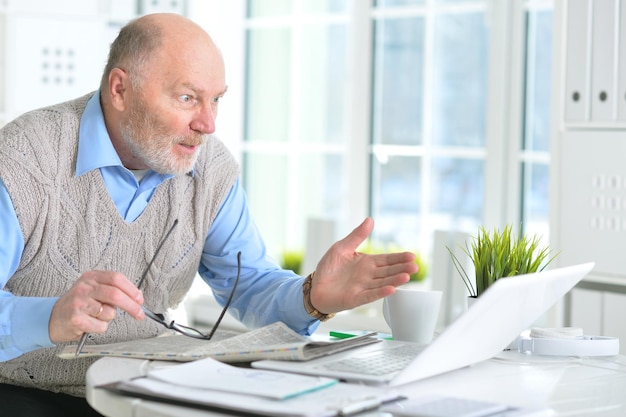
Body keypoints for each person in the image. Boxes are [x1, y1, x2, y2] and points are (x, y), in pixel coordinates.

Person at [0, 12, 418, 417]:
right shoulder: (25, 157)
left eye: (216, 100)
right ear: (120, 89)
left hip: (147, 391)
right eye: (187, 98)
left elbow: (250, 286)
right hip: (25, 392)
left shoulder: (209, 169)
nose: (208, 123)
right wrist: (50, 316)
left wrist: (312, 297)